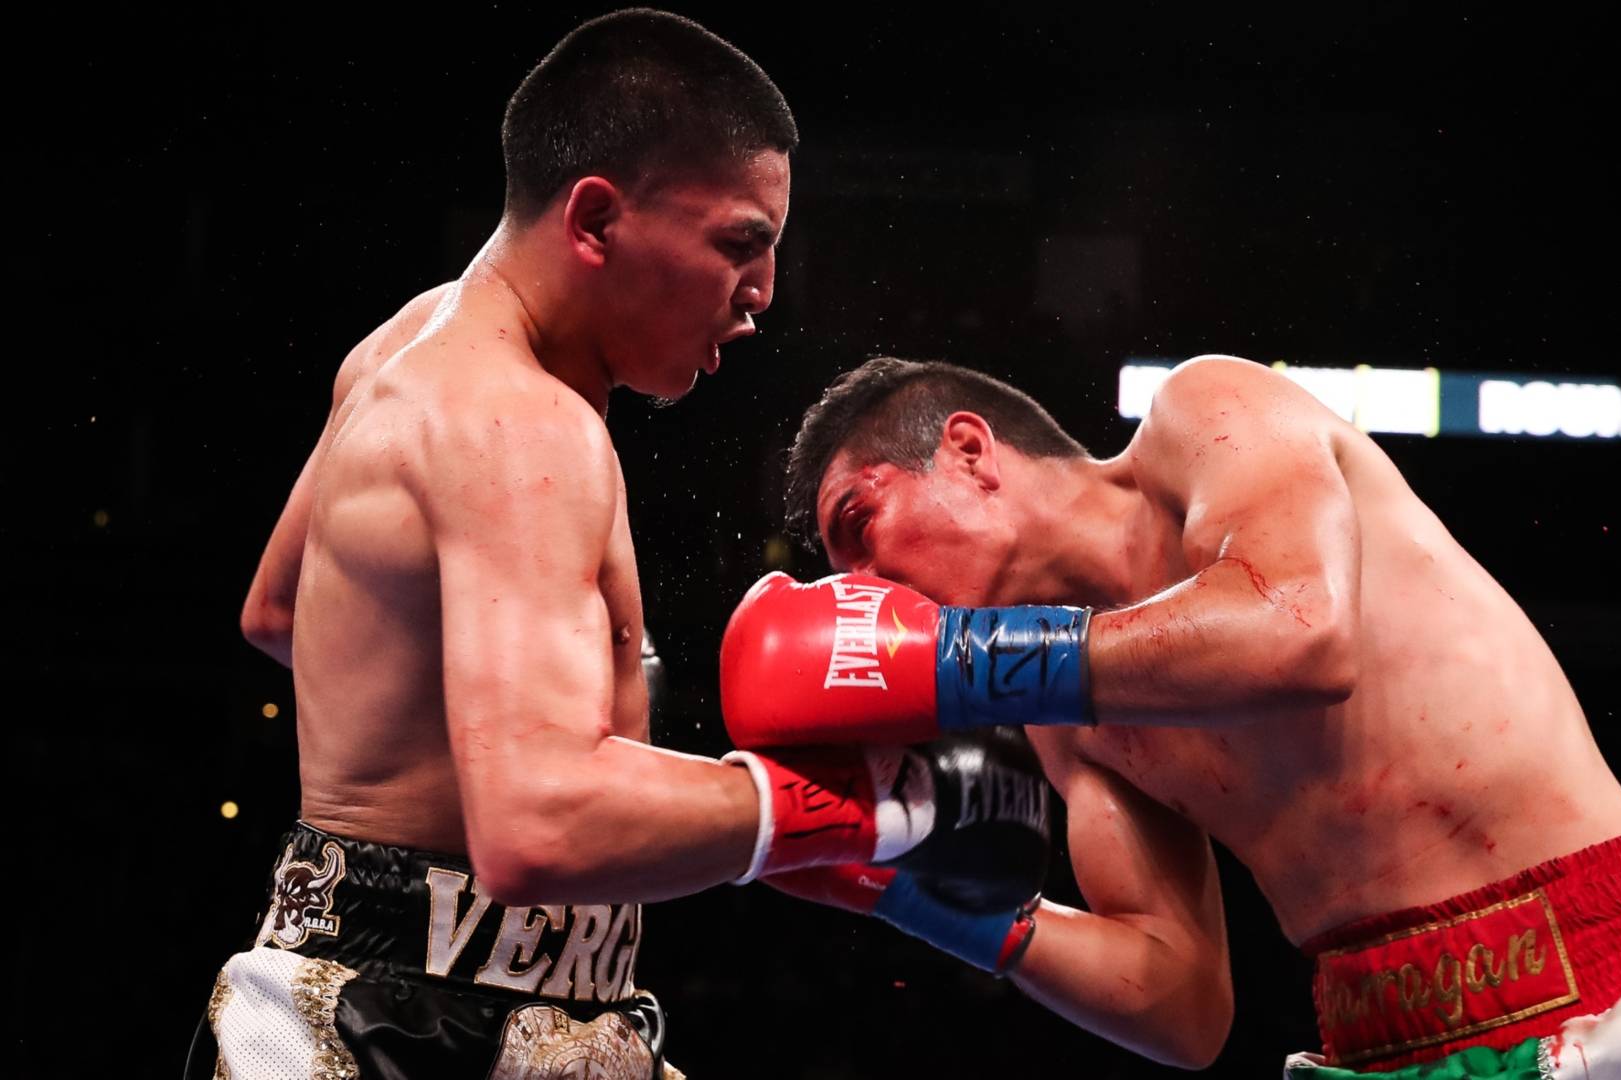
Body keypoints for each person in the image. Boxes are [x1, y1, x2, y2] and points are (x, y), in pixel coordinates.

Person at [192, 14, 1049, 1079]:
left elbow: (283, 613)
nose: (763, 292)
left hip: (419, 988)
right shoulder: (521, 422)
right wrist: (878, 806)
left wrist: (523, 709)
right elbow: (538, 830)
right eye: (738, 243)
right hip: (417, 1023)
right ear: (597, 218)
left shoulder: (405, 344)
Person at [720, 355, 1621, 1077]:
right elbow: (1180, 1002)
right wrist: (902, 891)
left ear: (969, 449)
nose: (867, 595)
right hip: (1370, 1048)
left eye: (862, 523)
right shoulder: (1064, 717)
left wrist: (953, 666)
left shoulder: (1207, 414)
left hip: (1598, 994)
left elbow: (1299, 629)